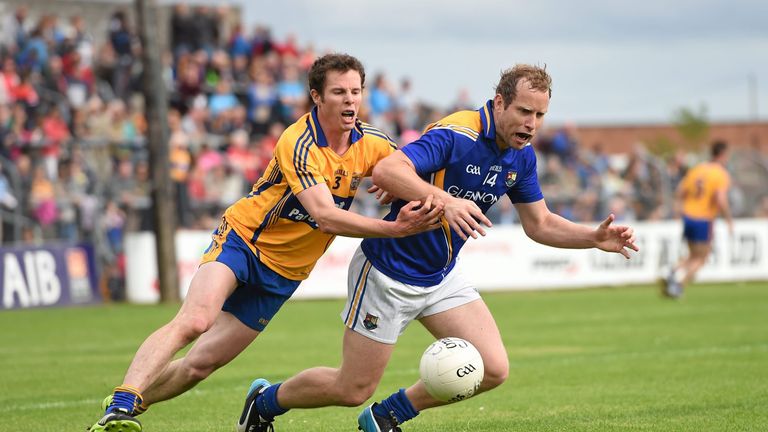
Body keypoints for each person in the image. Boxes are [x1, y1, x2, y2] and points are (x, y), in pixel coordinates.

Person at [236, 64, 639, 432]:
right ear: (499, 103)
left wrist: (592, 237)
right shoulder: (456, 134)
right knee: (351, 387)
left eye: (539, 116)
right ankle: (266, 401)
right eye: (523, 112)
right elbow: (388, 169)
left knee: (493, 369)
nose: (531, 125)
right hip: (387, 274)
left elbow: (540, 223)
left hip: (442, 276)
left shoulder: (521, 157)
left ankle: (387, 416)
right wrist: (445, 200)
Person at [88, 53, 443, 432]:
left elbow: (411, 168)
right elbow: (324, 215)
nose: (350, 100)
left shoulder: (372, 143)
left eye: (355, 91)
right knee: (196, 320)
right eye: (339, 92)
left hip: (285, 274)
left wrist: (402, 184)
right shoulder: (299, 140)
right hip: (243, 241)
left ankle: (124, 406)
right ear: (317, 97)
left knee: (200, 365)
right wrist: (393, 229)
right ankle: (123, 403)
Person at [663, 140, 732, 298]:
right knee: (701, 258)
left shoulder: (697, 169)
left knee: (693, 255)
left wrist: (679, 209)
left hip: (688, 217)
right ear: (722, 154)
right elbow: (721, 199)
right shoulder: (720, 174)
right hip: (704, 219)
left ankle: (672, 271)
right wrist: (729, 219)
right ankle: (678, 286)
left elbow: (680, 190)